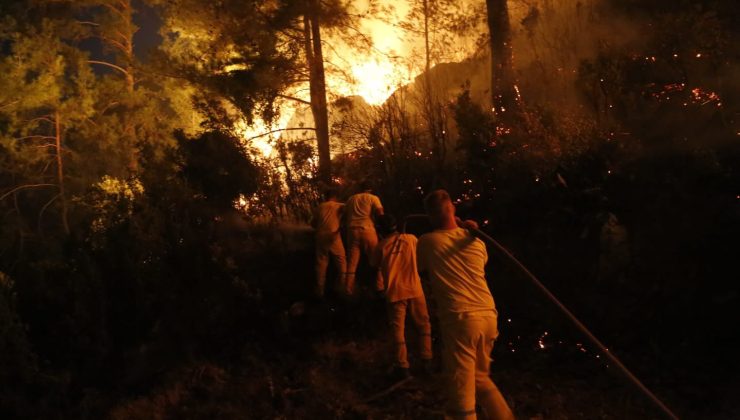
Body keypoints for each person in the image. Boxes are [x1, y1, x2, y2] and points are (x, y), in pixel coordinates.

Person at [417, 190, 514, 420]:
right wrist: (463, 227)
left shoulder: (427, 242)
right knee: (480, 378)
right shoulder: (477, 241)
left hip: (460, 319)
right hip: (489, 316)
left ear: (430, 217)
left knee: (461, 396)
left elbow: (421, 270)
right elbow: (481, 262)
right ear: (453, 209)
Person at [372, 214, 433, 380]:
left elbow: (375, 265)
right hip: (415, 289)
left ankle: (402, 366)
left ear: (380, 230)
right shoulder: (412, 239)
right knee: (424, 325)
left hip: (395, 293)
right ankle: (427, 361)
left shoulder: (380, 247)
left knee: (398, 330)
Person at [343, 181, 384, 295]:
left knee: (352, 262)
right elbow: (380, 213)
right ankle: (379, 287)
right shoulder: (373, 198)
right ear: (370, 189)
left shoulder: (351, 199)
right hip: (367, 230)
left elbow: (344, 213)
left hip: (352, 231)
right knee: (377, 259)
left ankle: (348, 289)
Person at [311, 187, 346, 299]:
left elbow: (313, 224)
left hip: (320, 236)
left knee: (321, 264)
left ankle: (320, 291)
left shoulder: (319, 207)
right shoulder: (340, 205)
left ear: (326, 197)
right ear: (335, 196)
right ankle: (342, 287)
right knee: (341, 262)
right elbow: (348, 214)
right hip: (334, 235)